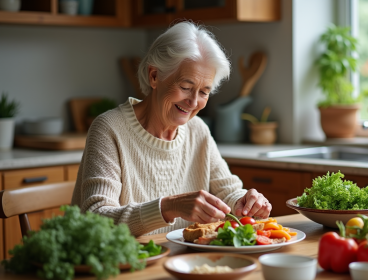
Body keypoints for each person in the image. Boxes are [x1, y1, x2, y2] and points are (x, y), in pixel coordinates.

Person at [71, 21, 272, 236]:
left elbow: (228, 191)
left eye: (204, 92)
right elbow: (96, 218)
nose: (194, 102)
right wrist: (167, 207)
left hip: (182, 263)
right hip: (122, 264)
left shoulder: (198, 130)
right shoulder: (110, 129)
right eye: (186, 87)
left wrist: (245, 202)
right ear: (154, 76)